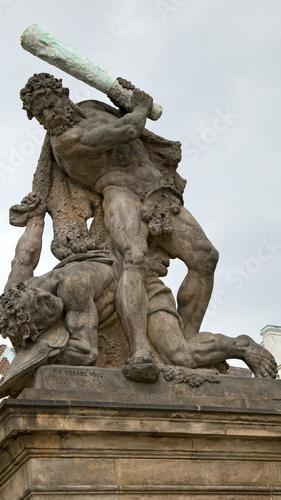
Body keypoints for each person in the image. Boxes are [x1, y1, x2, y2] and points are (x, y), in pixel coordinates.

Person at [19, 74, 219, 372]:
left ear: (63, 96)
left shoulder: (92, 107)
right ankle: (140, 350)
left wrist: (122, 102)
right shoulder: (65, 141)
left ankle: (184, 340)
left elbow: (124, 122)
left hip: (160, 194)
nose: (48, 117)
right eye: (40, 115)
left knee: (206, 259)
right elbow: (128, 130)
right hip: (122, 197)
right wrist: (139, 107)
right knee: (133, 259)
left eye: (50, 106)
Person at [0, 193, 277, 398]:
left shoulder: (73, 285)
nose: (54, 310)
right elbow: (24, 256)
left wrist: (47, 353)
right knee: (181, 355)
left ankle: (242, 346)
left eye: (46, 305)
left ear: (34, 295)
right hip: (114, 294)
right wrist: (35, 218)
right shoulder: (16, 292)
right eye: (47, 320)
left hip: (142, 291)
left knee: (180, 354)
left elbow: (86, 350)